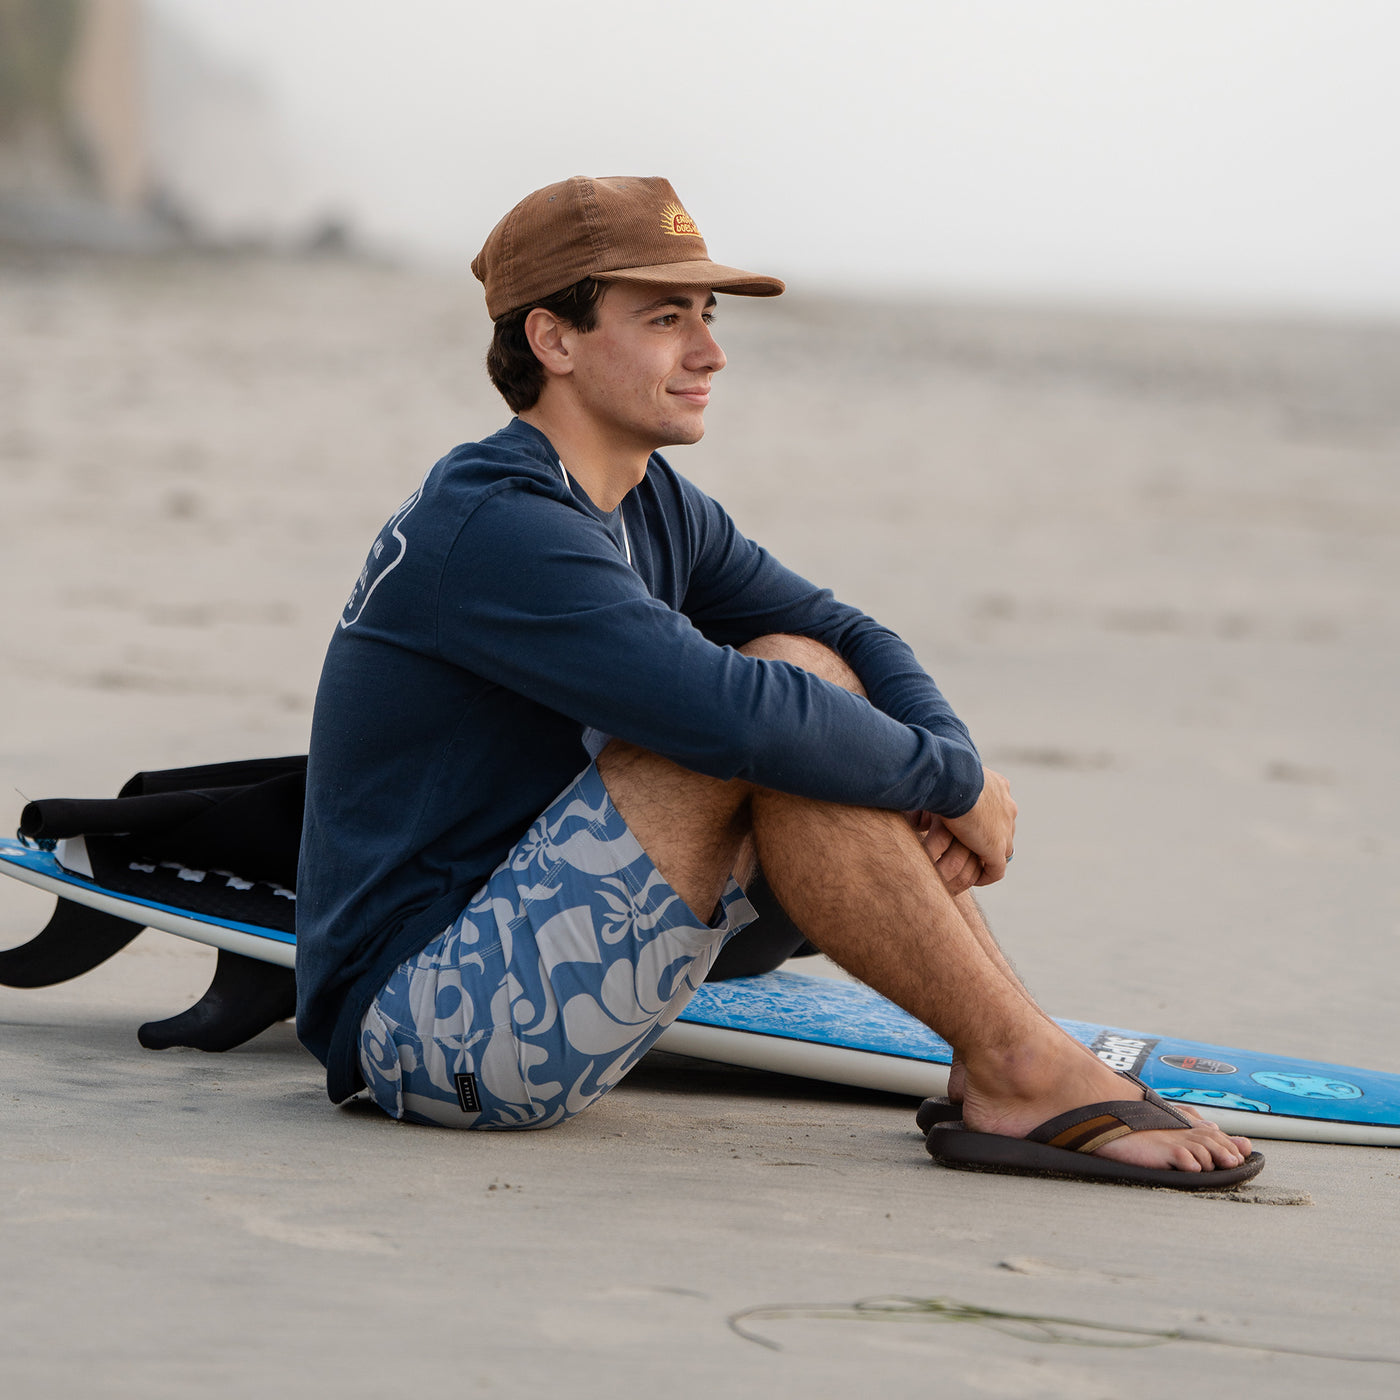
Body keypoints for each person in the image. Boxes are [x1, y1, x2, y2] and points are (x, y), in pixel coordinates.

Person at [295, 175, 1262, 1189]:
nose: (709, 352)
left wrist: (953, 763)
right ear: (554, 339)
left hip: (530, 970)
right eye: (665, 318)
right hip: (426, 1034)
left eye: (705, 318)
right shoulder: (498, 524)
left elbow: (844, 628)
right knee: (777, 704)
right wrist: (946, 785)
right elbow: (744, 714)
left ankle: (1014, 1058)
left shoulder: (647, 499)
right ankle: (1020, 1064)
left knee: (810, 675)